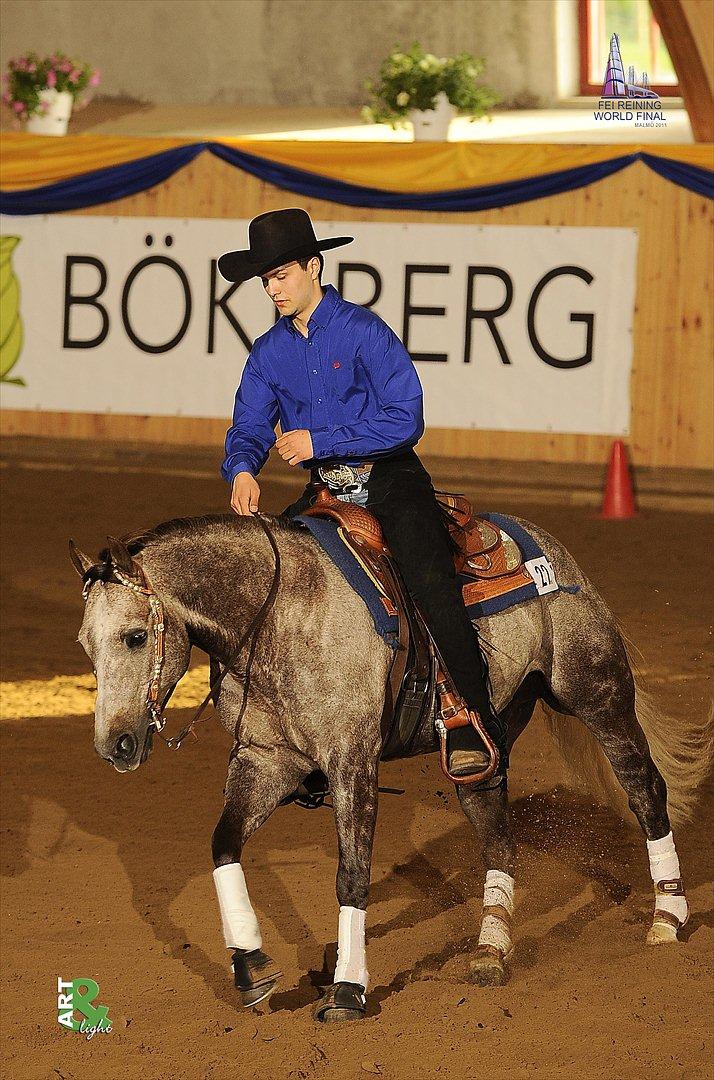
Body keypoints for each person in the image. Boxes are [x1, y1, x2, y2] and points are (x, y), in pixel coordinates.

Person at [217, 208, 505, 780]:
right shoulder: (268, 352)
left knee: (430, 579)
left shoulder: (364, 331)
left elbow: (406, 417)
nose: (273, 290)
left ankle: (474, 718)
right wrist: (243, 469)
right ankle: (296, 737)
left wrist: (319, 439)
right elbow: (249, 424)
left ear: (314, 267)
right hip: (328, 489)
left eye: (281, 276)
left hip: (392, 479)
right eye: (266, 281)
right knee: (280, 580)